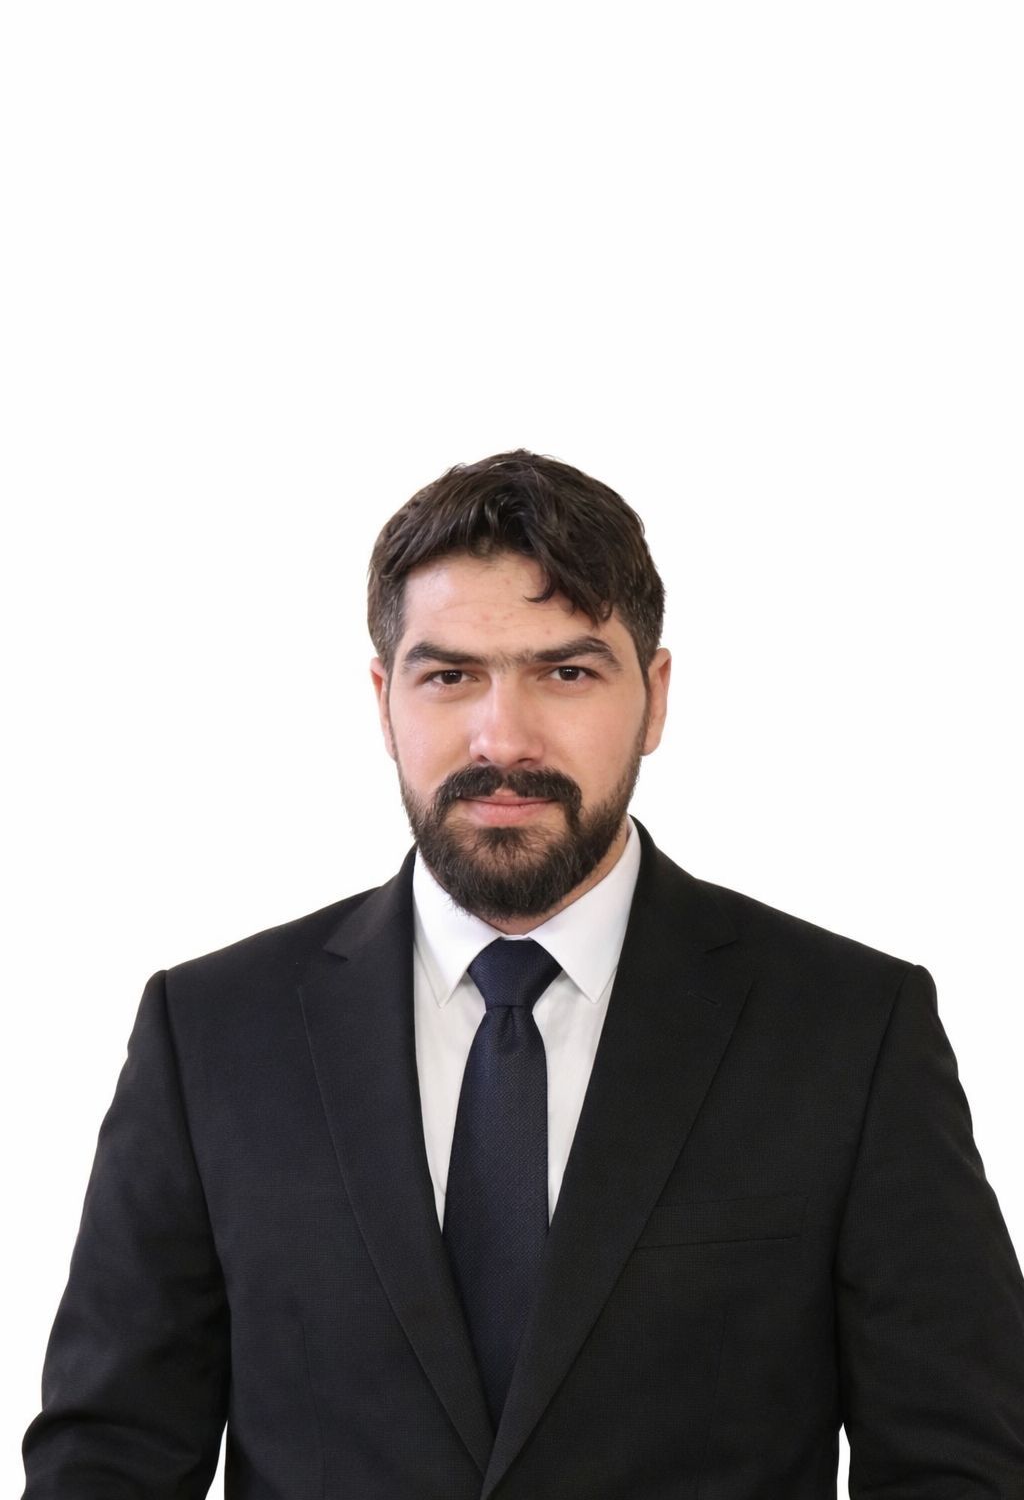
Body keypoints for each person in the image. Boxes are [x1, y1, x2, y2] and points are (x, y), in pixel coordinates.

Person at [22, 450, 1024, 1498]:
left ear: (654, 699)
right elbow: (109, 1460)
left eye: (567, 673)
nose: (503, 737)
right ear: (385, 701)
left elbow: (959, 1465)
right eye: (450, 676)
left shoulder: (850, 1031)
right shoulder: (211, 1033)